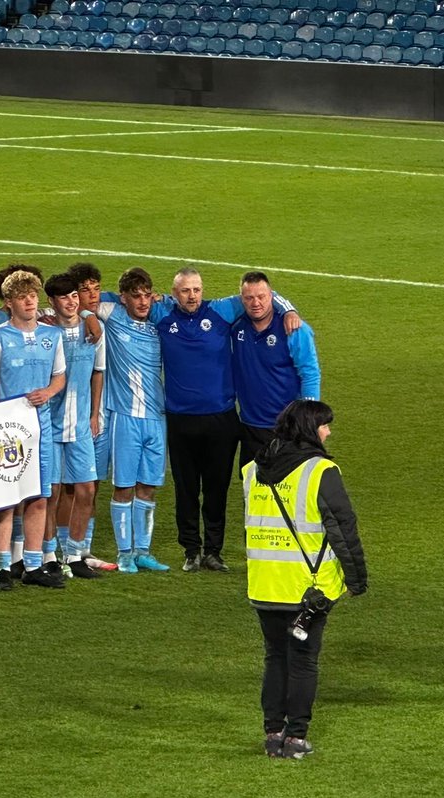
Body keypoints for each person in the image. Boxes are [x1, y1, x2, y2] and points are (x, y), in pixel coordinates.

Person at [243, 400, 367, 759]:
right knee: (303, 661)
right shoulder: (320, 471)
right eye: (325, 425)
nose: (329, 432)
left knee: (275, 658)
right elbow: (343, 526)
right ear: (311, 429)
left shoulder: (252, 470)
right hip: (308, 588)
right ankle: (296, 737)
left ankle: (272, 734)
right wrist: (356, 578)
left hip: (264, 582)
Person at [157, 267, 301, 574]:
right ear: (174, 294)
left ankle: (213, 551)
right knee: (185, 489)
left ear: (202, 290)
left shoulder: (222, 310)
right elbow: (121, 301)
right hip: (180, 420)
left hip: (221, 420)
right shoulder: (161, 314)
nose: (192, 295)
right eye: (185, 291)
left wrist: (289, 309)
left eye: (196, 289)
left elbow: (262, 296)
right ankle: (191, 550)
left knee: (216, 487)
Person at [0, 270, 67, 590]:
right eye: (22, 297)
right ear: (9, 303)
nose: (30, 301)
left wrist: (50, 392)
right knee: (7, 497)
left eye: (33, 295)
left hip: (41, 427)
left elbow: (59, 376)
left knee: (39, 496)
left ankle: (32, 564)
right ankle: (1, 565)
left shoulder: (51, 335)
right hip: (8, 432)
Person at [95, 267, 170, 574]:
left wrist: (162, 299)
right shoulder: (112, 314)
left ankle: (143, 552)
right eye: (135, 296)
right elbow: (80, 299)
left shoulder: (160, 322)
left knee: (149, 486)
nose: (142, 302)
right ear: (123, 297)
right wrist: (91, 313)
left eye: (146, 296)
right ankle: (124, 553)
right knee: (124, 487)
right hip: (124, 417)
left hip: (157, 417)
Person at [43, 272, 105, 581]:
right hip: (50, 425)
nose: (71, 302)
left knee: (86, 490)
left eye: (74, 297)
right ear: (52, 302)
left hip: (80, 423)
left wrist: (94, 414)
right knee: (51, 494)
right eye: (64, 298)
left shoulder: (93, 330)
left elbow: (98, 372)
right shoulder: (45, 330)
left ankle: (75, 552)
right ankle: (50, 554)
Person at [231, 272, 321, 469]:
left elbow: (310, 373)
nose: (256, 303)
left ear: (271, 296)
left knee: (287, 489)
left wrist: (311, 419)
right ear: (242, 300)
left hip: (287, 428)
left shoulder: (295, 329)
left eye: (261, 297)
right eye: (249, 298)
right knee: (252, 490)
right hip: (250, 426)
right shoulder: (236, 326)